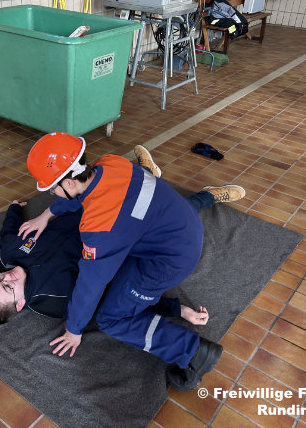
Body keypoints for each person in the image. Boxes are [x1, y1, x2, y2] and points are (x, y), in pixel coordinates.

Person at [18, 132, 246, 391]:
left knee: (110, 318)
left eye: (52, 189)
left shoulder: (99, 226)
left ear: (68, 182)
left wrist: (74, 329)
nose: (52, 194)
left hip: (169, 261)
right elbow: (82, 193)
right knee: (119, 290)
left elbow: (90, 283)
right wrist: (46, 215)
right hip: (179, 226)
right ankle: (175, 310)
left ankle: (192, 351)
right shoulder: (110, 163)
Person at [0, 200, 211, 328]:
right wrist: (178, 310)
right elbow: (119, 298)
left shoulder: (3, 259)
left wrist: (14, 209)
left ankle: (149, 177)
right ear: (20, 304)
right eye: (8, 287)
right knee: (169, 217)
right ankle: (206, 197)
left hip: (84, 207)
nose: (6, 276)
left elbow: (6, 235)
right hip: (112, 231)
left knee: (130, 188)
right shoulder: (55, 301)